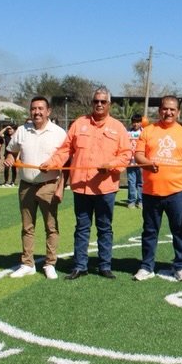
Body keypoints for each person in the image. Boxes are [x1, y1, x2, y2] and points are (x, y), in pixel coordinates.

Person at [43, 87, 133, 280]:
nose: (99, 104)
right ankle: (80, 266)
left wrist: (111, 165)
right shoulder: (78, 124)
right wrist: (51, 164)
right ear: (92, 103)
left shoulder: (118, 128)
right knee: (82, 228)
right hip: (81, 187)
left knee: (105, 228)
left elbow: (126, 155)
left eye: (103, 102)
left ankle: (105, 265)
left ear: (109, 104)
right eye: (96, 101)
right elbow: (65, 150)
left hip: (105, 188)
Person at [133, 95, 182, 281]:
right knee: (150, 231)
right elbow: (138, 156)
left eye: (172, 109)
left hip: (177, 192)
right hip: (151, 191)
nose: (168, 112)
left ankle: (181, 266)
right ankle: (147, 266)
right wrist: (147, 162)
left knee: (179, 230)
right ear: (159, 110)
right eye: (165, 109)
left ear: (178, 112)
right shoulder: (148, 131)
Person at [5, 96, 69, 279]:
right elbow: (11, 151)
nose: (37, 112)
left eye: (41, 108)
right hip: (26, 185)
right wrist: (10, 157)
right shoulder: (21, 131)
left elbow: (66, 161)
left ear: (48, 111)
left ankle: (50, 263)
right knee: (27, 227)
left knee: (51, 226)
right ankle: (27, 263)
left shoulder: (58, 133)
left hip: (49, 184)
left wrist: (60, 187)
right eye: (33, 109)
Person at [125, 114, 144, 208]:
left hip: (141, 162)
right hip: (130, 162)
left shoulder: (144, 132)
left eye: (138, 122)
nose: (136, 124)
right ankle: (131, 200)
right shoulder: (127, 132)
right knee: (131, 182)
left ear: (141, 122)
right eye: (134, 122)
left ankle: (140, 201)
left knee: (140, 182)